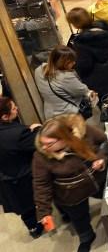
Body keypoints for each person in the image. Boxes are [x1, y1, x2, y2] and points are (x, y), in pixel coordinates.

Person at [32, 114, 108, 252]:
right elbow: (41, 184)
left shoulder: (85, 132)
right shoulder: (41, 156)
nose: (44, 148)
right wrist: (44, 212)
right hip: (69, 193)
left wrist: (101, 158)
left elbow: (104, 142)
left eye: (49, 144)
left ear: (65, 138)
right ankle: (87, 237)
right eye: (43, 143)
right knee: (79, 218)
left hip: (96, 179)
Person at [0, 97, 43, 239]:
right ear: (5, 116)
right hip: (25, 175)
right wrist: (36, 129)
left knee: (24, 208)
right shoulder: (18, 134)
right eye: (13, 108)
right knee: (39, 200)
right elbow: (38, 143)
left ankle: (33, 228)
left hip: (7, 179)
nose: (17, 108)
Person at [66, 7, 108, 96]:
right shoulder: (103, 26)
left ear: (75, 24)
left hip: (99, 79)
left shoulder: (82, 41)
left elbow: (85, 65)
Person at [33, 46, 92, 120]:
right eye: (71, 61)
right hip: (68, 115)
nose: (74, 63)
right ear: (62, 63)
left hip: (51, 115)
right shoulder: (66, 77)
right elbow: (83, 90)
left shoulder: (38, 70)